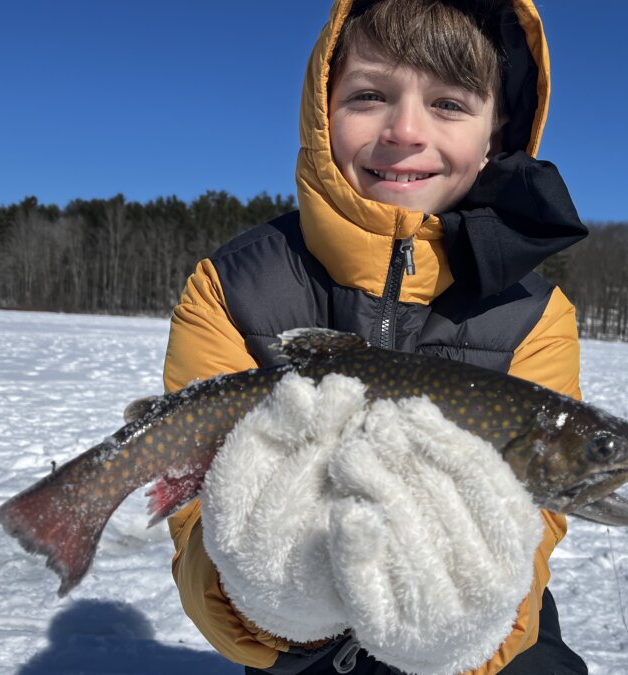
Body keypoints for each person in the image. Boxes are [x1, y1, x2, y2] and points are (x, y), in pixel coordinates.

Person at [162, 0, 590, 673]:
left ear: (495, 135)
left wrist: (470, 627)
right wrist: (262, 595)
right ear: (321, 110)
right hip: (297, 646)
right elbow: (192, 518)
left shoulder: (535, 314)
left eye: (449, 103)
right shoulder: (234, 286)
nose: (406, 130)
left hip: (479, 638)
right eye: (369, 95)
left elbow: (536, 531)